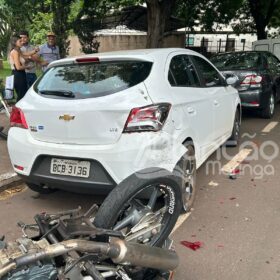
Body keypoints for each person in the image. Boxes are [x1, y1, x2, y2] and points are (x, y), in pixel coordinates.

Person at [9, 34, 39, 101]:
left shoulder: (18, 51)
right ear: (15, 42)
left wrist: (35, 50)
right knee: (21, 95)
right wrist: (27, 67)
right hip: (18, 75)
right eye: (20, 41)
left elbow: (27, 54)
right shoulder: (15, 52)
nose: (22, 42)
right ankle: (18, 110)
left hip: (21, 74)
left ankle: (20, 109)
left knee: (23, 94)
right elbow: (18, 67)